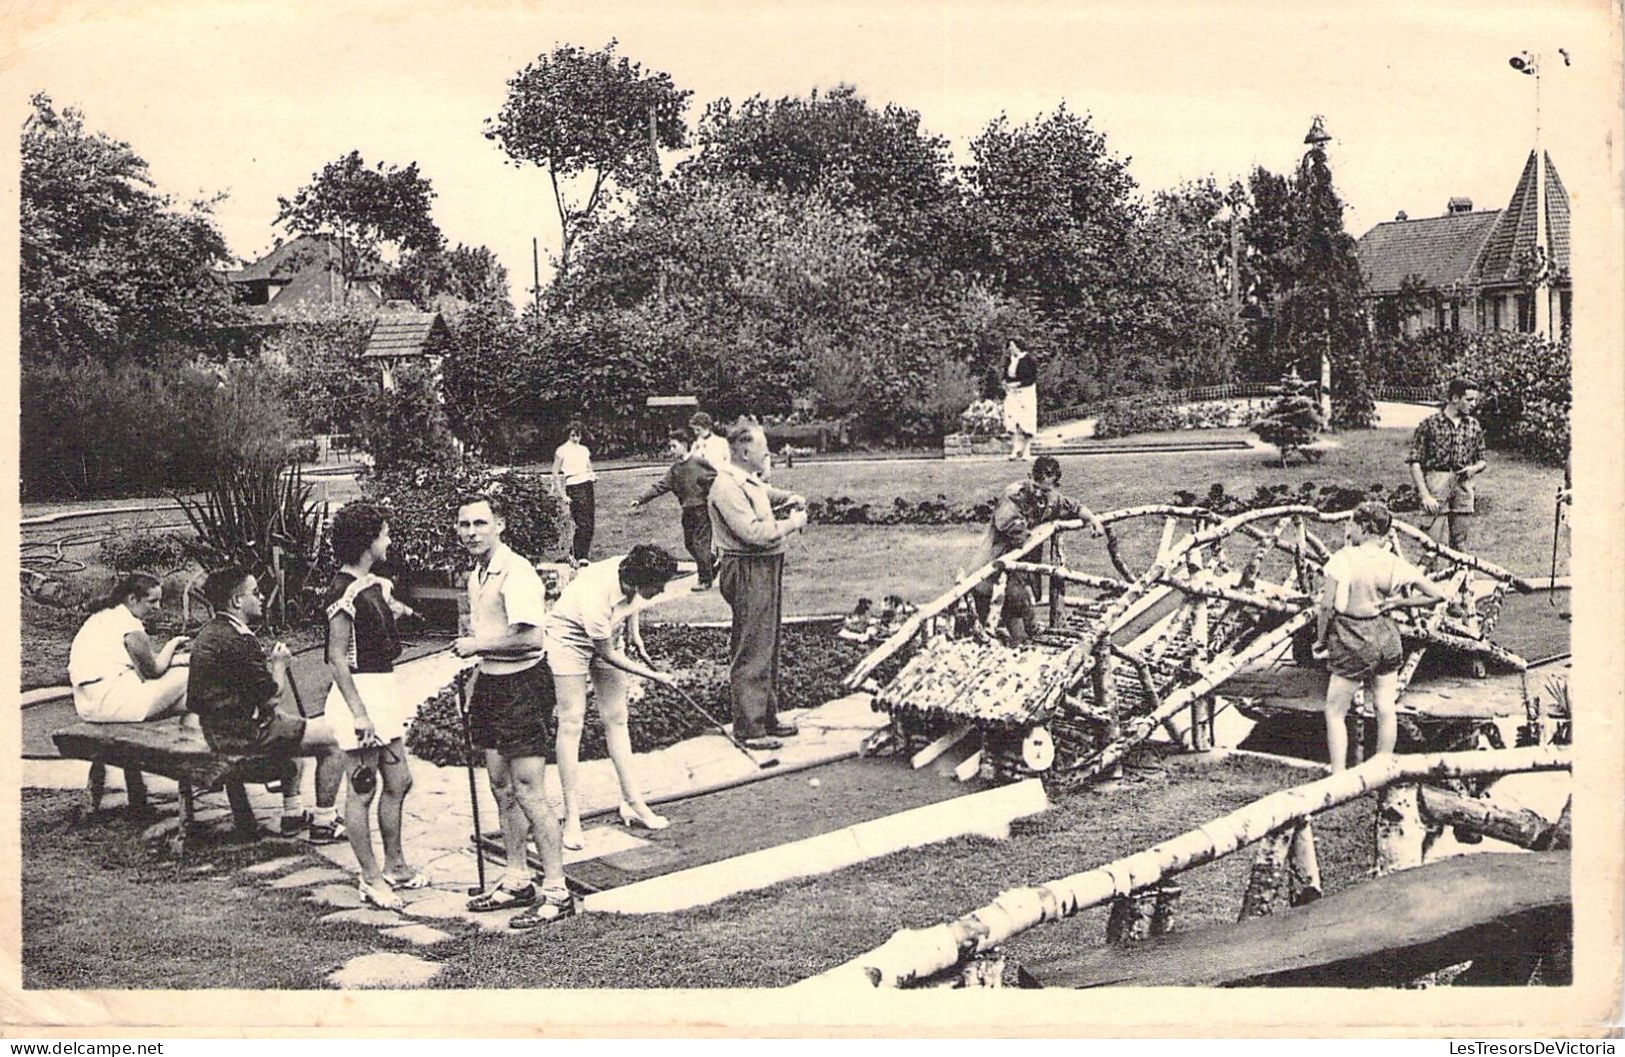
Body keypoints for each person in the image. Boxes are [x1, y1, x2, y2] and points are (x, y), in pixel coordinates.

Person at [454, 494, 575, 929]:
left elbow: (531, 639)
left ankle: (557, 890)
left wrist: (476, 646)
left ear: (499, 525)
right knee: (501, 788)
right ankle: (517, 876)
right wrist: (476, 674)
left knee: (529, 790)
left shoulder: (517, 572)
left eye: (480, 523)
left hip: (523, 685)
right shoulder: (479, 573)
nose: (471, 532)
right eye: (464, 524)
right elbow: (491, 634)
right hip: (491, 683)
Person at [186, 567, 348, 843]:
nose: (261, 598)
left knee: (291, 725)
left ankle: (293, 813)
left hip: (217, 732)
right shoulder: (240, 640)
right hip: (242, 737)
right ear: (237, 601)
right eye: (256, 593)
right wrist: (279, 665)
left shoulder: (210, 632)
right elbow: (271, 696)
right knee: (335, 740)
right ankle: (324, 821)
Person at [322, 502, 424, 910]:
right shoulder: (343, 592)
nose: (388, 541)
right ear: (368, 542)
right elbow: (335, 657)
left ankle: (396, 864)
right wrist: (360, 713)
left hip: (383, 691)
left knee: (399, 782)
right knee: (363, 788)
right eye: (383, 534)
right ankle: (370, 877)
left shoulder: (370, 584)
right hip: (359, 698)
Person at [546, 544, 682, 849]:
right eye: (657, 586)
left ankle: (632, 802)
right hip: (569, 639)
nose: (661, 591)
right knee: (571, 722)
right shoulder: (597, 594)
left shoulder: (629, 567)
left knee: (617, 718)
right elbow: (606, 653)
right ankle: (572, 817)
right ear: (637, 580)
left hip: (608, 634)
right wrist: (655, 676)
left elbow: (630, 604)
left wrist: (635, 635)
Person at [1312, 501, 1450, 772]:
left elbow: (1326, 606)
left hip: (1353, 635)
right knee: (1385, 706)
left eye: (1351, 522)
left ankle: (1339, 775)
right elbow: (1437, 594)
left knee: (1335, 710)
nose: (1348, 527)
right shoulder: (1392, 561)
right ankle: (1381, 770)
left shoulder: (1342, 559)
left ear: (1364, 528)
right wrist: (1398, 604)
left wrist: (1319, 640)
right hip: (1386, 635)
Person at [707, 420, 808, 750]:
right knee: (752, 646)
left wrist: (789, 496)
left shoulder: (744, 479)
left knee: (768, 643)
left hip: (764, 566)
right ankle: (749, 728)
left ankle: (766, 717)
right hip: (748, 567)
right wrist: (793, 522)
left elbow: (763, 493)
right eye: (763, 448)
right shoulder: (726, 486)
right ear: (745, 451)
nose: (768, 453)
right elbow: (752, 533)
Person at [969, 456, 1103, 644]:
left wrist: (1092, 520)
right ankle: (979, 633)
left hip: (1024, 556)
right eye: (1037, 487)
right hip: (999, 550)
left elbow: (1073, 507)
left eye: (1046, 490)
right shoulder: (1015, 493)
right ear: (1030, 477)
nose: (1040, 494)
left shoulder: (1052, 497)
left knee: (1018, 594)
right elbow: (1008, 525)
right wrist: (1032, 535)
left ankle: (1022, 637)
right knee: (982, 589)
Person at [68, 573, 189, 723]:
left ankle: (196, 729)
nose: (158, 607)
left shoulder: (105, 616)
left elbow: (148, 658)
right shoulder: (129, 625)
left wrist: (184, 659)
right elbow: (154, 671)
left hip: (89, 706)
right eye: (152, 601)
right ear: (132, 599)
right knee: (189, 675)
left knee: (189, 699)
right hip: (113, 702)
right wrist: (173, 643)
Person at [630, 428, 718, 591]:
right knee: (690, 545)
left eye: (674, 446)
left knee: (700, 544)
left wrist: (712, 497)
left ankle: (705, 579)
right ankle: (711, 563)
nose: (671, 450)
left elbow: (716, 479)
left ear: (684, 445)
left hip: (701, 510)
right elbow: (660, 486)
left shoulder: (699, 462)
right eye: (670, 447)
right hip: (688, 511)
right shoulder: (675, 470)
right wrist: (640, 499)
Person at [1406, 378, 1487, 552]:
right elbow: (1414, 462)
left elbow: (1482, 460)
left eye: (1475, 400)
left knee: (1460, 545)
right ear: (1455, 398)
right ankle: (1429, 579)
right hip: (1436, 482)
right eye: (1470, 399)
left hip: (1463, 485)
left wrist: (1473, 469)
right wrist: (1425, 495)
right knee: (1432, 545)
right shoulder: (1429, 424)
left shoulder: (1473, 425)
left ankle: (1459, 578)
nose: (1474, 404)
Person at [551, 421, 597, 568]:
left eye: (578, 435)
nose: (576, 439)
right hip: (574, 486)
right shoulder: (561, 451)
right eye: (573, 435)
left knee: (589, 522)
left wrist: (592, 475)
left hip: (587, 485)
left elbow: (589, 467)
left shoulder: (584, 450)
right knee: (582, 522)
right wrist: (562, 494)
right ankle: (576, 555)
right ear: (568, 435)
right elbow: (555, 474)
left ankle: (581, 555)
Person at [1001, 338, 1039, 461]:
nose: (1010, 349)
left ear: (1019, 346)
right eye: (1009, 346)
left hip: (1026, 394)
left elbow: (1032, 378)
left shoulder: (1029, 360)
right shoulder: (1009, 360)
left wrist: (1018, 384)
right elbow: (1005, 375)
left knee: (1026, 421)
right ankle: (1015, 448)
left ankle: (1026, 451)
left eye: (1012, 346)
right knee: (1011, 419)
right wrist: (1005, 383)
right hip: (1012, 393)